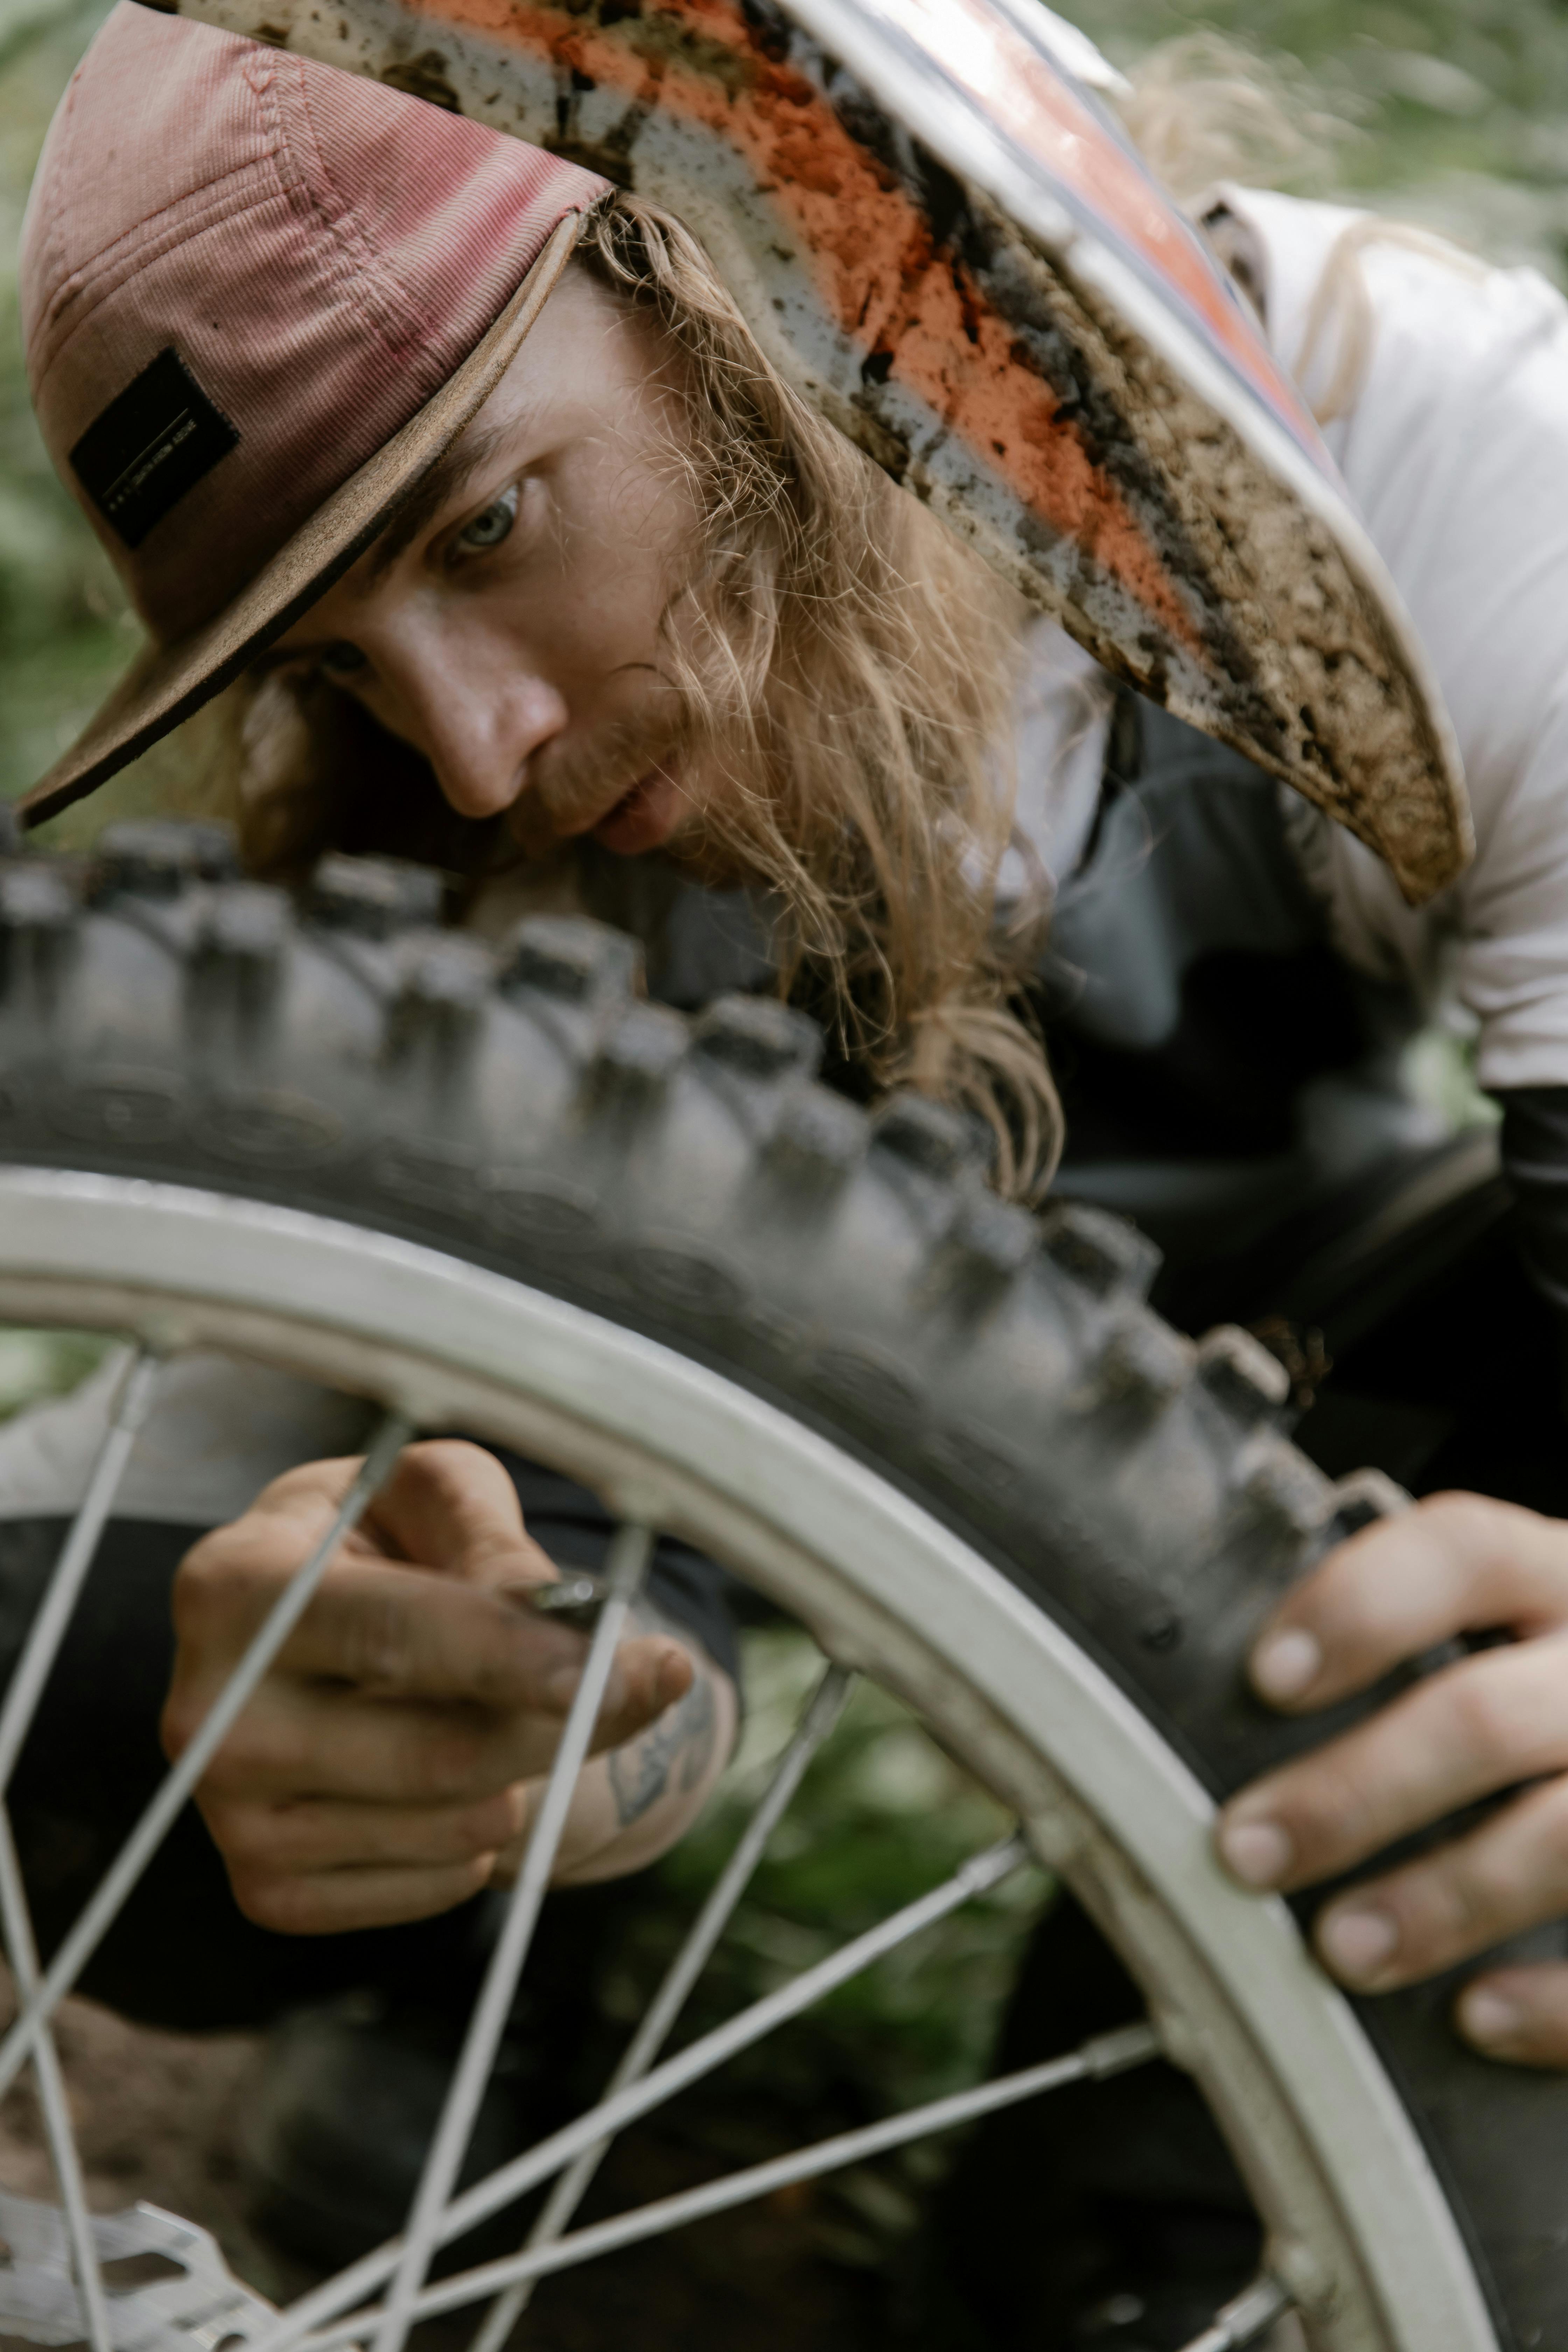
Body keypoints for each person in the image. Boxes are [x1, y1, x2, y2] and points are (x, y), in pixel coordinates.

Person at [10, 0, 1568, 2336]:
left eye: (487, 524)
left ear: (769, 267)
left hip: (1342, 1352)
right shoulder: (517, 883)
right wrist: (509, 1738)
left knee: (1147, 2242)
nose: (476, 750)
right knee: (98, 1656)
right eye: (341, 671)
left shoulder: (1425, 445)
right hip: (809, 1385)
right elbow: (663, 1586)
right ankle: (480, 2022)